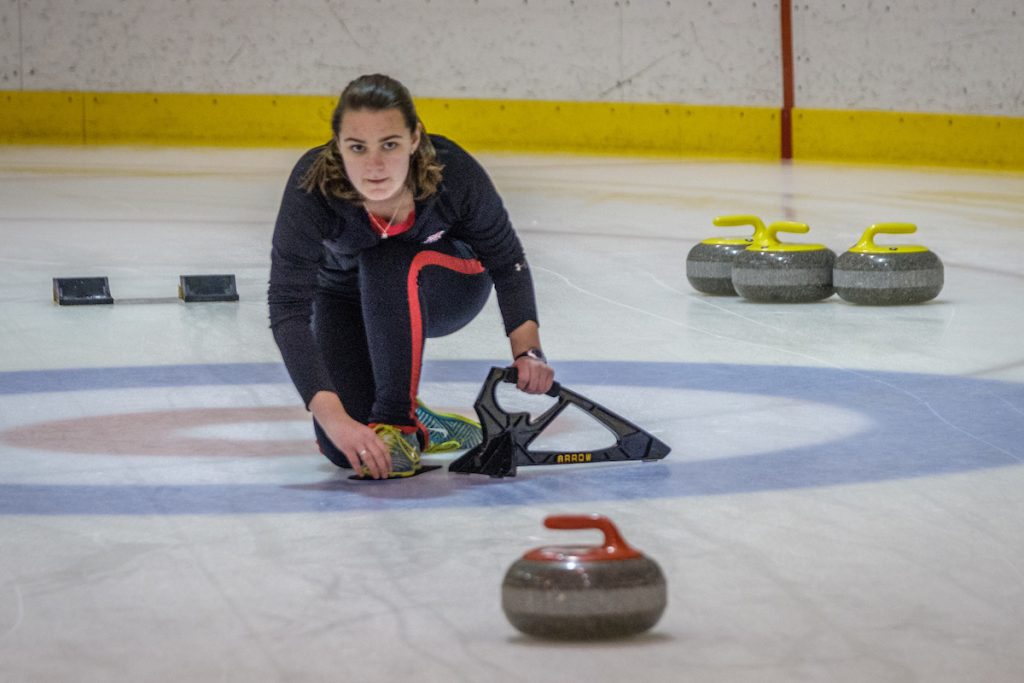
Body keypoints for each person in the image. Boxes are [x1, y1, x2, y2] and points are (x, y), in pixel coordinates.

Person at [268, 74, 555, 479]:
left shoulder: (454, 171)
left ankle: (397, 421)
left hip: (447, 287)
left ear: (415, 138)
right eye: (357, 147)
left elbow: (507, 260)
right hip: (347, 297)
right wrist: (333, 418)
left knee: (385, 258)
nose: (375, 165)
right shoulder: (312, 186)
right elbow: (287, 308)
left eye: (389, 144)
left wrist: (528, 351)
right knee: (343, 448)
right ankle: (425, 426)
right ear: (337, 144)